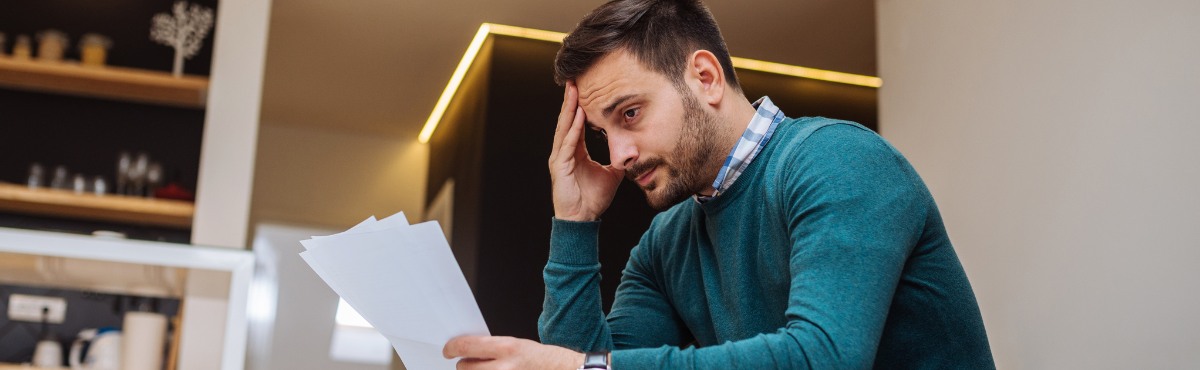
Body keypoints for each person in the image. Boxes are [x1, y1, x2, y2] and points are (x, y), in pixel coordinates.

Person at [442, 0, 995, 368]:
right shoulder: (665, 245)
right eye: (601, 132)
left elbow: (822, 357)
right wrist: (575, 224)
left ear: (704, 78)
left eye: (629, 114)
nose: (618, 154)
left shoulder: (838, 161)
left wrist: (584, 366)